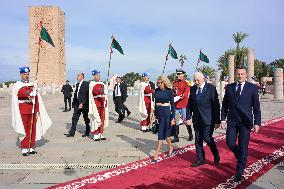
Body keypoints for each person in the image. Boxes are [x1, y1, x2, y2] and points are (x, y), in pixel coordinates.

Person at [221, 66, 261, 182]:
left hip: (245, 122)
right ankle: (240, 156)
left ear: (246, 75)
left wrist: (257, 123)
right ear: (235, 74)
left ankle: (239, 172)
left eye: (242, 74)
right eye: (238, 74)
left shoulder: (252, 88)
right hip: (232, 121)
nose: (240, 76)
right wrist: (222, 119)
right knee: (230, 143)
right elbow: (224, 105)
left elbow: (256, 107)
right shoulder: (229, 87)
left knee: (243, 147)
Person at [11, 67, 52, 156]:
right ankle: (25, 148)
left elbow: (37, 97)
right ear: (21, 75)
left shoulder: (33, 84)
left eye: (28, 74)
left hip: (32, 109)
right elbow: (19, 95)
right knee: (25, 129)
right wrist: (28, 94)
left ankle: (31, 146)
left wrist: (35, 95)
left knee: (32, 128)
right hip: (23, 109)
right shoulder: (17, 85)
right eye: (25, 74)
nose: (26, 76)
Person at [186, 72, 220, 167]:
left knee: (207, 138)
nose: (196, 82)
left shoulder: (211, 88)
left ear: (203, 79)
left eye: (198, 80)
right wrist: (188, 117)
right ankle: (200, 159)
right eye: (195, 80)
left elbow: (216, 105)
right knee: (198, 140)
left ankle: (215, 153)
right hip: (197, 119)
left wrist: (218, 120)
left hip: (208, 118)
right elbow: (190, 105)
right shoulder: (192, 89)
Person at [152, 76, 175, 162]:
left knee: (161, 133)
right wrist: (155, 114)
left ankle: (156, 154)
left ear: (165, 82)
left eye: (161, 83)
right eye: (158, 83)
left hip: (166, 114)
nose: (159, 85)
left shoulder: (169, 91)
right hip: (159, 113)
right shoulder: (157, 90)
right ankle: (170, 147)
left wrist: (173, 118)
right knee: (166, 134)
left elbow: (173, 105)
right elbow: (155, 103)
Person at [65, 73, 90, 137]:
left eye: (78, 75)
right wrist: (74, 104)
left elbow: (86, 95)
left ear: (82, 77)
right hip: (77, 104)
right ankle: (72, 133)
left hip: (84, 105)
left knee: (86, 119)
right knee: (74, 118)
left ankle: (87, 132)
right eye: (77, 75)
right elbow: (76, 94)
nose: (77, 76)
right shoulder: (77, 84)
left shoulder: (86, 84)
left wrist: (82, 103)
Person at [172, 69, 193, 142]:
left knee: (185, 120)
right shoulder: (174, 83)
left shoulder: (186, 83)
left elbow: (186, 93)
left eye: (179, 74)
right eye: (177, 74)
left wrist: (179, 97)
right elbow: (173, 92)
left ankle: (190, 134)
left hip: (184, 104)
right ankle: (176, 137)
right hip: (176, 105)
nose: (178, 75)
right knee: (177, 120)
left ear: (183, 75)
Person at [89, 69, 109, 141]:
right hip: (96, 104)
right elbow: (96, 91)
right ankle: (95, 134)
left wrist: (106, 87)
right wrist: (103, 90)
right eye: (97, 75)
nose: (98, 76)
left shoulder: (102, 83)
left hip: (102, 103)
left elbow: (104, 93)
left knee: (102, 119)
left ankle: (100, 133)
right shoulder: (92, 84)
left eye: (99, 75)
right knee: (96, 119)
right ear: (94, 76)